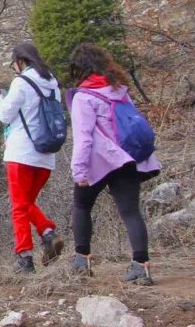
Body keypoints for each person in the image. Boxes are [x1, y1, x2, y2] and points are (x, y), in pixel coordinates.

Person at [67, 42, 160, 284]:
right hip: (127, 159)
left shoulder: (84, 97)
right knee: (130, 212)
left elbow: (84, 138)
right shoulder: (119, 90)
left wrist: (79, 170)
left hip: (100, 161)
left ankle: (81, 261)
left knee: (81, 206)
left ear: (79, 69)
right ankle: (141, 266)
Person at [0, 42, 67, 273]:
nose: (14, 68)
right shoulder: (52, 82)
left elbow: (4, 114)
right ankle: (47, 234)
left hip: (21, 152)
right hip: (46, 154)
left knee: (19, 207)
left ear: (20, 61)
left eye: (14, 63)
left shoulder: (21, 82)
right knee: (26, 203)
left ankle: (24, 258)